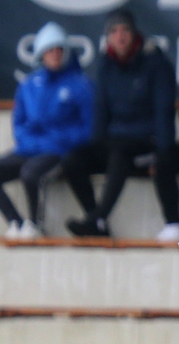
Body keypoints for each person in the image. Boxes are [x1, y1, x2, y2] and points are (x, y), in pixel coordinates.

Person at [61, 9, 179, 241]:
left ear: (134, 33)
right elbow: (101, 110)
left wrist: (164, 153)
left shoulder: (156, 63)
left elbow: (164, 111)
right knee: (73, 160)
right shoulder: (106, 64)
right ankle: (96, 219)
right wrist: (96, 147)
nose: (120, 36)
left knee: (119, 154)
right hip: (115, 141)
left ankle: (97, 217)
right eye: (114, 31)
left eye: (125, 29)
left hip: (146, 143)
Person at [0, 21, 92, 240]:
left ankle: (35, 224)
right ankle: (16, 222)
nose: (55, 54)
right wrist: (36, 144)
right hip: (31, 149)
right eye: (50, 50)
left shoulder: (80, 85)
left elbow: (88, 129)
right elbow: (19, 125)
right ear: (41, 54)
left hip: (58, 151)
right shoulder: (28, 85)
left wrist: (55, 143)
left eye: (60, 49)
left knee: (30, 173)